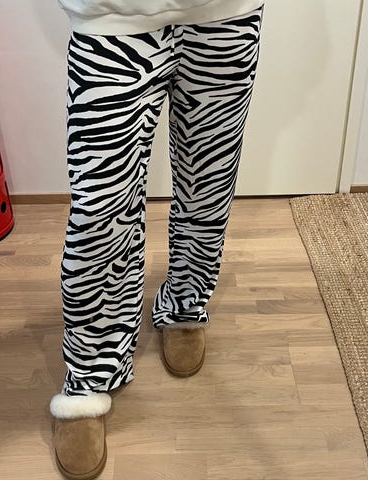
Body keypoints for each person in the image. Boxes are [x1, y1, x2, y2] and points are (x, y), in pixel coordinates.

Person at [49, 1, 265, 478]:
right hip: (110, 14)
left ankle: (186, 300)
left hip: (226, 13)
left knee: (208, 181)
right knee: (100, 207)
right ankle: (91, 368)